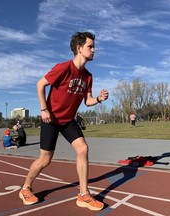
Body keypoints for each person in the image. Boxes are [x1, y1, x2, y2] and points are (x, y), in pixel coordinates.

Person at [19, 32, 108, 211]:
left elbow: (87, 101)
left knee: (83, 149)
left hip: (68, 120)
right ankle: (25, 188)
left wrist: (98, 99)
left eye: (93, 46)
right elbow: (40, 84)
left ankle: (83, 195)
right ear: (79, 48)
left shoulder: (88, 76)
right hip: (51, 119)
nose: (94, 50)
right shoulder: (64, 68)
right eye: (90, 46)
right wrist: (44, 109)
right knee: (45, 159)